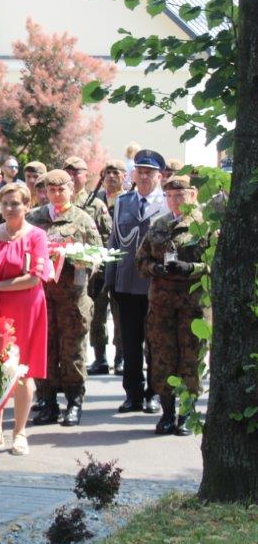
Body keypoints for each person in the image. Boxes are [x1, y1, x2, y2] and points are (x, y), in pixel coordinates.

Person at [0, 183, 49, 455]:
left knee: (21, 371)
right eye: (5, 203)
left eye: (15, 203)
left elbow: (33, 278)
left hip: (26, 308)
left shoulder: (36, 236)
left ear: (27, 205)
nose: (9, 208)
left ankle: (20, 432)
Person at [27, 170, 102, 427]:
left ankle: (74, 402)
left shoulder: (82, 219)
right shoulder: (34, 218)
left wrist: (77, 259)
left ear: (71, 190)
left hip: (72, 296)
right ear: (45, 192)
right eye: (51, 190)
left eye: (61, 189)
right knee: (44, 349)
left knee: (72, 350)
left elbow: (97, 254)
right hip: (42, 297)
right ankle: (47, 401)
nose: (57, 194)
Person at [136, 176, 210, 436]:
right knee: (163, 358)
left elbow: (217, 263)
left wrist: (192, 268)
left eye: (180, 195)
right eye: (170, 196)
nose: (175, 201)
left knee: (190, 359)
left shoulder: (205, 226)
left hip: (193, 307)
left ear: (193, 195)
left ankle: (186, 414)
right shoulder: (159, 226)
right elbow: (141, 260)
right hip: (162, 306)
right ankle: (167, 413)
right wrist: (155, 267)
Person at [106, 149, 168, 415]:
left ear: (159, 176)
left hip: (156, 285)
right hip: (128, 283)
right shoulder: (122, 201)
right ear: (133, 173)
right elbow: (114, 243)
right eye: (140, 171)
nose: (143, 176)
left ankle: (153, 394)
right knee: (130, 342)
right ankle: (132, 394)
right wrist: (110, 280)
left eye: (149, 172)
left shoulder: (166, 203)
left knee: (155, 343)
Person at [87, 159, 127, 375]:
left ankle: (120, 357)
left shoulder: (128, 200)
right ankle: (100, 357)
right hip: (100, 267)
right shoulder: (95, 200)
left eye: (115, 172)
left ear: (124, 177)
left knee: (120, 315)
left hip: (121, 266)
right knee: (97, 314)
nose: (111, 177)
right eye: (107, 173)